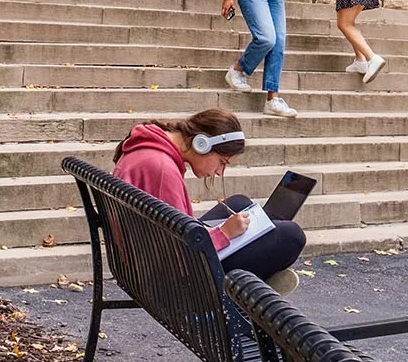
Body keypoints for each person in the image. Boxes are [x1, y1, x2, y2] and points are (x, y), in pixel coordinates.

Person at [112, 109, 305, 288]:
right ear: (201, 144)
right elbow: (179, 251)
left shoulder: (150, 147)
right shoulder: (162, 170)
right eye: (222, 162)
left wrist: (215, 231)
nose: (220, 172)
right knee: (291, 235)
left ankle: (257, 284)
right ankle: (250, 295)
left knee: (239, 202)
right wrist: (224, 234)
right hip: (169, 277)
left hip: (145, 256)